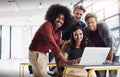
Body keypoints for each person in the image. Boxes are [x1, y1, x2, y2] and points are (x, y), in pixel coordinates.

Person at [28, 4, 77, 77]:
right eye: (58, 17)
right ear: (53, 16)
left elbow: (56, 50)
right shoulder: (47, 25)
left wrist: (58, 69)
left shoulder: (58, 32)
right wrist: (65, 60)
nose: (60, 20)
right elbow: (52, 44)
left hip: (43, 54)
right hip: (36, 53)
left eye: (63, 19)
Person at [83, 13, 119, 77]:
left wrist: (110, 59)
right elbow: (87, 44)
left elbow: (109, 41)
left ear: (96, 21)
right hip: (101, 54)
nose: (90, 24)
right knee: (101, 75)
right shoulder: (86, 30)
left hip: (112, 52)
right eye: (88, 23)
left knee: (112, 75)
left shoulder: (103, 25)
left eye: (92, 22)